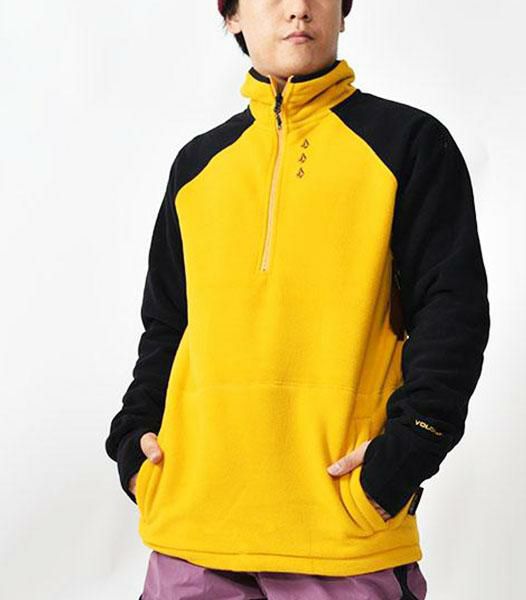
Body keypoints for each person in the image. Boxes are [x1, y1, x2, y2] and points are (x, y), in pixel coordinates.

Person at [104, 1, 490, 598]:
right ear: (232, 15)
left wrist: (408, 451)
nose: (298, 9)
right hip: (191, 534)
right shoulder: (197, 166)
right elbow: (166, 325)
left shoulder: (407, 144)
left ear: (343, 10)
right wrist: (134, 440)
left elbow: (452, 312)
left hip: (341, 533)